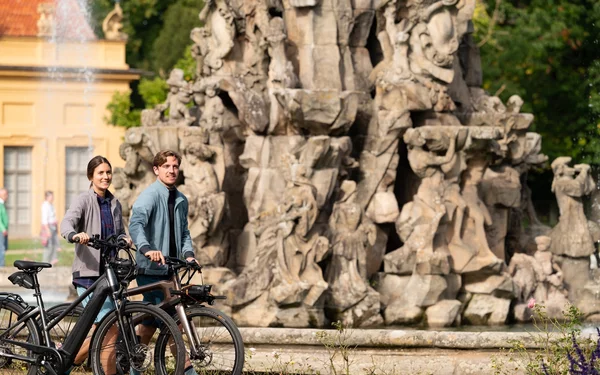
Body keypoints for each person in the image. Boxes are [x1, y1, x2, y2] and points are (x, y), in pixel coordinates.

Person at [60, 156, 131, 373]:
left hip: (109, 276)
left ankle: (63, 361)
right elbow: (66, 222)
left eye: (108, 172)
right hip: (88, 275)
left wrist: (125, 239)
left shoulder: (115, 203)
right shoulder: (83, 200)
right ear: (91, 176)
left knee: (104, 328)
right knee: (109, 329)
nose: (106, 176)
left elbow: (120, 232)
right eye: (100, 173)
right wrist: (75, 235)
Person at [129, 150, 197, 375]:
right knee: (174, 323)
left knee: (149, 322)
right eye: (166, 166)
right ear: (156, 170)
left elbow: (184, 233)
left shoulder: (181, 199)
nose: (171, 170)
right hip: (151, 269)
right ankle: (187, 371)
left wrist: (188, 254)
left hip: (171, 269)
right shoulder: (150, 196)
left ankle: (132, 367)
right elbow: (136, 224)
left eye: (175, 166)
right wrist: (147, 249)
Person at [41, 191, 59, 265]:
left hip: (53, 227)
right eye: (51, 196)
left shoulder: (51, 205)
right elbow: (44, 220)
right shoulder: (45, 206)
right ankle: (45, 262)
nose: (52, 198)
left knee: (54, 245)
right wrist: (47, 230)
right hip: (48, 228)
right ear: (47, 197)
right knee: (49, 246)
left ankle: (52, 260)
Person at [0, 188, 8, 267]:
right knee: (1, 248)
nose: (7, 196)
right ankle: (1, 267)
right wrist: (3, 229)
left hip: (3, 230)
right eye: (5, 195)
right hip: (1, 230)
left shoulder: (2, 204)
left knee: (3, 248)